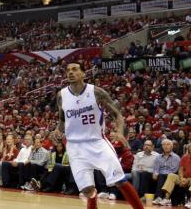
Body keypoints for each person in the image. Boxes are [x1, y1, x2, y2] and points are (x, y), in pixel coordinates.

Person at [53, 62, 144, 209]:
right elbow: (62, 119)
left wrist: (120, 132)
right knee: (87, 190)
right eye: (68, 70)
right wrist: (58, 130)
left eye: (75, 69)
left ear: (83, 73)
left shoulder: (96, 92)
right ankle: (93, 197)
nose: (70, 72)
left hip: (97, 142)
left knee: (119, 180)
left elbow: (117, 115)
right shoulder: (61, 95)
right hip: (75, 147)